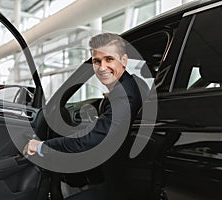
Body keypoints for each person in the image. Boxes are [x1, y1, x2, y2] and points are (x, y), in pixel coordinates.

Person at [23, 33, 144, 200]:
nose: (102, 67)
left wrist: (42, 146)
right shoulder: (126, 87)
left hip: (119, 188)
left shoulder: (124, 95)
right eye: (96, 61)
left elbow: (91, 140)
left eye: (109, 59)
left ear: (123, 60)